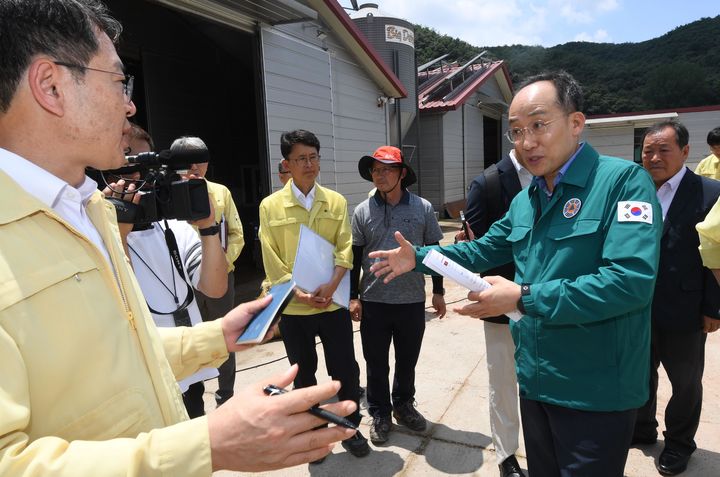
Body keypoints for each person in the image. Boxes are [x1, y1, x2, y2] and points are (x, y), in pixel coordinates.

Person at [0, 1, 357, 475]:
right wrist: (208, 444)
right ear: (51, 85)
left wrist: (218, 336)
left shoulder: (89, 210)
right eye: (118, 81)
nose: (129, 104)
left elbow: (122, 351)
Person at [368, 71, 662, 477]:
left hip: (596, 389)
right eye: (516, 131)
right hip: (537, 381)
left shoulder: (623, 183)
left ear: (576, 124)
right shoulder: (528, 199)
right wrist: (418, 257)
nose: (526, 142)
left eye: (539, 125)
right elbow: (482, 249)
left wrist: (522, 297)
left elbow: (629, 283)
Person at [258, 129, 370, 459]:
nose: (309, 164)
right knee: (303, 374)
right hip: (295, 309)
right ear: (287, 164)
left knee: (345, 370)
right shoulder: (271, 206)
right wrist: (299, 294)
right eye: (301, 159)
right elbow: (271, 257)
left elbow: (345, 248)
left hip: (332, 304)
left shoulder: (334, 201)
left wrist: (336, 283)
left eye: (313, 157)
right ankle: (314, 436)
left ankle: (350, 428)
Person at [633, 120, 720, 475]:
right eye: (648, 151)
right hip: (637, 307)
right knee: (640, 374)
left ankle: (680, 444)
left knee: (685, 383)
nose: (654, 157)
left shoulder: (710, 193)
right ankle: (642, 429)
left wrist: (714, 307)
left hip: (686, 309)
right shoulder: (633, 190)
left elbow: (716, 254)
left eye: (663, 150)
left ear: (685, 152)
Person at [350, 145, 446, 445]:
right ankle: (380, 412)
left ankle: (403, 405)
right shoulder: (362, 211)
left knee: (407, 359)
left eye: (387, 169)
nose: (380, 175)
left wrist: (439, 291)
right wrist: (353, 296)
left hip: (411, 301)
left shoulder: (423, 208)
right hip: (374, 302)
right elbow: (354, 258)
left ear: (402, 173)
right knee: (375, 361)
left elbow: (434, 253)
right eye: (376, 170)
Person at [456, 148, 530, 477]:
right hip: (503, 306)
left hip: (551, 302)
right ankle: (506, 456)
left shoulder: (557, 176)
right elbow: (477, 251)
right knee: (503, 382)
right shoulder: (486, 183)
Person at [174, 136, 245, 407]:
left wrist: (223, 264)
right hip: (183, 282)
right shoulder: (169, 195)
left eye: (200, 160)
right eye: (187, 162)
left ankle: (225, 394)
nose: (195, 167)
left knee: (225, 335)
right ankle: (193, 396)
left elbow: (237, 234)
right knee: (190, 338)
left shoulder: (221, 192)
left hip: (221, 277)